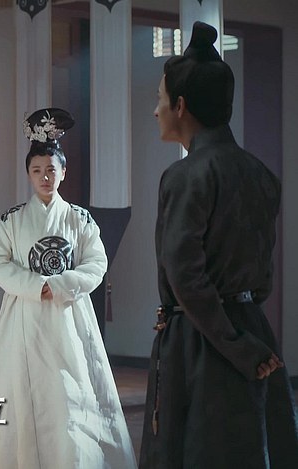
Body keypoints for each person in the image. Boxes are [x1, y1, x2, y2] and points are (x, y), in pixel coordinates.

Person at [141, 21, 298, 468]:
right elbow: (262, 277)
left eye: (160, 99)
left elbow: (185, 276)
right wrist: (245, 337)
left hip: (199, 341)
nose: (156, 110)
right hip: (252, 330)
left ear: (181, 105)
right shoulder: (261, 174)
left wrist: (229, 340)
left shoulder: (184, 176)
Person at [0, 108, 136, 468]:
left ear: (63, 172)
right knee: (19, 391)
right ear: (28, 174)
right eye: (37, 170)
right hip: (25, 315)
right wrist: (36, 286)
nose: (44, 177)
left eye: (51, 169)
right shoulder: (12, 221)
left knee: (73, 393)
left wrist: (62, 285)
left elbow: (96, 263)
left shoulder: (80, 219)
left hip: (69, 315)